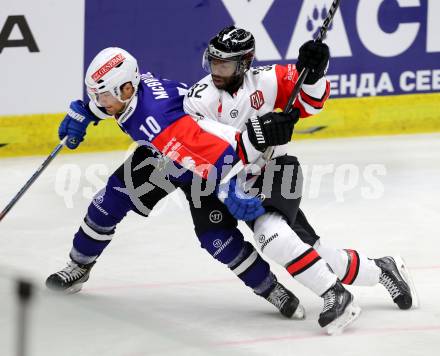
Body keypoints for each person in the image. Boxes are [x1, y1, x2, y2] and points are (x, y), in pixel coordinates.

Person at [46, 47, 307, 322]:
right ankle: (78, 267)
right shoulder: (131, 92)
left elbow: (205, 149)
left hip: (203, 166)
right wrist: (85, 112)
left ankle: (271, 289)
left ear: (125, 89)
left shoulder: (156, 117)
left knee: (216, 238)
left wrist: (230, 183)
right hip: (162, 157)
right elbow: (112, 107)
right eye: (95, 96)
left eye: (102, 96)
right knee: (105, 204)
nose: (100, 101)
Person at [182, 25, 417, 324]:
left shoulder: (267, 79)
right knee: (314, 252)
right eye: (214, 62)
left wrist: (314, 75)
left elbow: (311, 103)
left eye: (225, 64)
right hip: (228, 181)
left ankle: (335, 294)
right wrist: (256, 139)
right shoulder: (197, 100)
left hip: (277, 170)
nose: (217, 69)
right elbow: (200, 151)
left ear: (245, 62)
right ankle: (383, 269)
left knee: (270, 235)